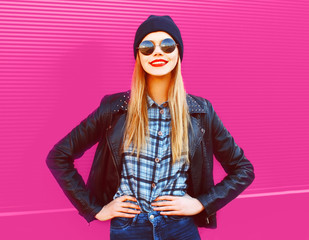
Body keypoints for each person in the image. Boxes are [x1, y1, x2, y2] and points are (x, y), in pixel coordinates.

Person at [46, 15, 255, 240]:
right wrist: (95, 209)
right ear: (138, 56)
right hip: (129, 229)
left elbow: (243, 169)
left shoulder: (201, 112)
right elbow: (59, 155)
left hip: (180, 229)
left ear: (178, 53)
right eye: (147, 46)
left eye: (167, 45)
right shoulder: (113, 109)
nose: (157, 52)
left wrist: (200, 204)